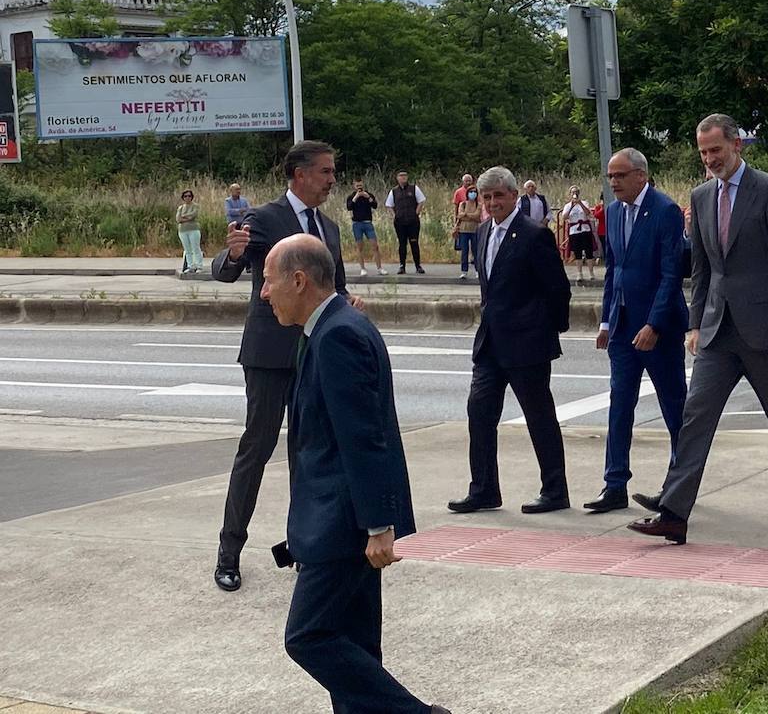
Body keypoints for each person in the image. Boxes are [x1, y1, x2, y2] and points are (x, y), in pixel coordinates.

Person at [259, 236, 448, 714]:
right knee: (355, 644)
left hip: (342, 524)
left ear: (298, 281)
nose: (263, 293)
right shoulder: (330, 326)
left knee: (310, 637)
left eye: (267, 280)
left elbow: (364, 438)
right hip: (340, 520)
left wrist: (378, 525)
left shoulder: (339, 334)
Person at [628, 113, 768, 544]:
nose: (709, 159)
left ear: (737, 145)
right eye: (703, 152)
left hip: (766, 331)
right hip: (718, 332)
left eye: (716, 150)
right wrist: (695, 323)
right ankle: (674, 513)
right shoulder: (701, 196)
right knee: (694, 418)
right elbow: (702, 270)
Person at [209, 140, 356, 592]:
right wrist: (233, 254)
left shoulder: (329, 228)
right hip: (270, 353)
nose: (332, 180)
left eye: (333, 172)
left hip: (315, 352)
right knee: (257, 446)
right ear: (299, 174)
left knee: (308, 451)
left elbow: (337, 287)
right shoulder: (266, 218)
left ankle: (304, 548)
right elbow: (225, 270)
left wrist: (350, 303)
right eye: (326, 172)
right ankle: (229, 552)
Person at [448, 166, 572, 515]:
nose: (492, 202)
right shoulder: (485, 230)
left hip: (527, 345)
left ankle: (555, 490)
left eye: (499, 196)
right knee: (480, 413)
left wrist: (546, 330)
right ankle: (484, 489)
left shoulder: (534, 235)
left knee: (539, 417)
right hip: (490, 343)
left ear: (514, 196)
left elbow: (558, 289)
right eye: (487, 197)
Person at [587, 148, 689, 514]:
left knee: (674, 406)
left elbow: (670, 274)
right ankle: (614, 484)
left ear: (641, 176)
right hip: (622, 327)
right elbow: (614, 270)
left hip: (658, 329)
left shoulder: (665, 211)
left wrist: (654, 324)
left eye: (620, 175)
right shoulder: (613, 213)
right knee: (619, 404)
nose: (613, 182)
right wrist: (605, 321)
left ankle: (679, 486)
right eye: (610, 176)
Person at [386, 170, 426, 274]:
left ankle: (418, 266)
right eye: (401, 176)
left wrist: (416, 212)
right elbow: (389, 205)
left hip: (413, 222)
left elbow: (421, 201)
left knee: (414, 243)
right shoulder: (394, 191)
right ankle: (402, 266)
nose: (403, 177)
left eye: (405, 175)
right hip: (400, 222)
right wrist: (394, 216)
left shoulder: (414, 188)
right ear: (397, 178)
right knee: (402, 244)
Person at [346, 179, 386, 277]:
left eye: (360, 185)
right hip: (357, 224)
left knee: (375, 246)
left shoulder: (368, 195)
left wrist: (368, 197)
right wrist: (356, 197)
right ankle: (362, 269)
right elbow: (349, 207)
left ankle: (379, 268)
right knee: (359, 247)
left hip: (368, 223)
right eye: (357, 185)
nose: (359, 187)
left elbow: (375, 205)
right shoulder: (351, 197)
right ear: (354, 186)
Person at [560, 185, 598, 284]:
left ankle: (591, 273)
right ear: (570, 194)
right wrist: (572, 206)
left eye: (576, 192)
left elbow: (588, 213)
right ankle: (579, 273)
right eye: (573, 192)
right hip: (574, 231)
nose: (574, 194)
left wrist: (580, 203)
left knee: (589, 251)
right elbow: (564, 217)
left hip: (585, 229)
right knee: (577, 253)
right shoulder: (568, 205)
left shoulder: (584, 203)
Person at [452, 174, 481, 280]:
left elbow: (477, 215)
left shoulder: (479, 204)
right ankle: (464, 271)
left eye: (474, 192)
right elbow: (459, 214)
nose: (472, 194)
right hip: (463, 230)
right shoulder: (462, 203)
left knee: (476, 250)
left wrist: (466, 215)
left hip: (475, 230)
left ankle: (478, 270)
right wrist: (469, 216)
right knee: (464, 251)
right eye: (471, 192)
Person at [176, 189, 204, 274]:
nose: (187, 198)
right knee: (187, 249)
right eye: (185, 196)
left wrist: (184, 217)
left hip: (193, 229)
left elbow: (193, 215)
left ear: (192, 197)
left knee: (195, 248)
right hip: (183, 230)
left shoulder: (195, 206)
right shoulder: (181, 207)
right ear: (183, 198)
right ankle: (190, 265)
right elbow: (178, 219)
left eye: (189, 196)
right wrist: (184, 218)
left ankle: (199, 265)